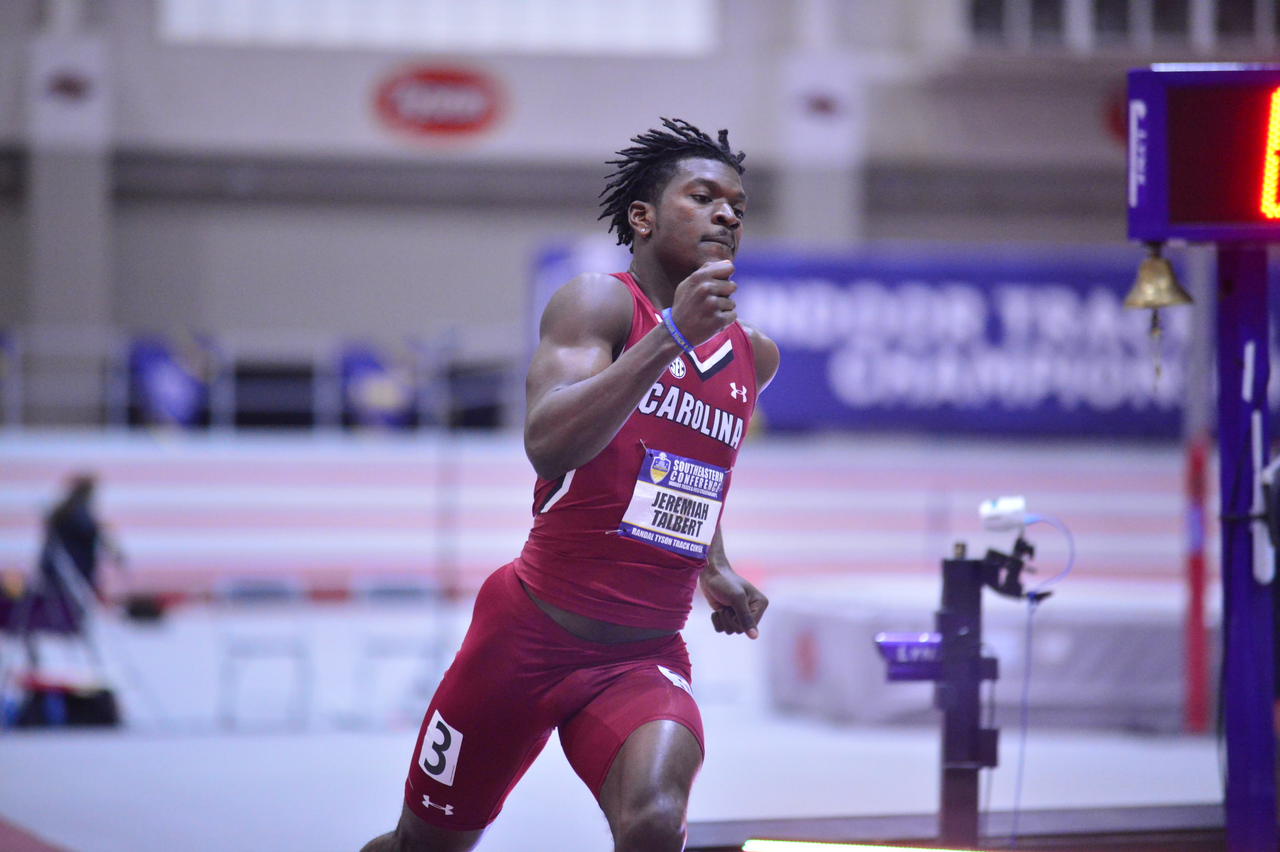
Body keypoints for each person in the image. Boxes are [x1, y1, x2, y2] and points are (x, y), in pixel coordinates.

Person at [362, 118, 779, 852]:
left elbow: (688, 466)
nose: (727, 214)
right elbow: (549, 445)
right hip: (525, 638)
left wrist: (715, 568)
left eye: (738, 206)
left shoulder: (754, 356)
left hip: (644, 652)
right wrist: (668, 338)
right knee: (420, 848)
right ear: (643, 217)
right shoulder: (598, 304)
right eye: (704, 196)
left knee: (652, 821)